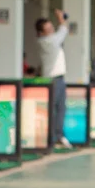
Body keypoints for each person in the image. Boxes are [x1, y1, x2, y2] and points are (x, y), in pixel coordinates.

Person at [35, 9, 71, 149]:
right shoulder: (47, 41)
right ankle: (51, 138)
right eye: (48, 29)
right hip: (52, 80)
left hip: (60, 78)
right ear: (41, 33)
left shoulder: (51, 39)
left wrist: (61, 19)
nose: (51, 31)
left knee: (61, 109)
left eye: (51, 28)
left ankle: (58, 137)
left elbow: (62, 30)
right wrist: (61, 18)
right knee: (52, 110)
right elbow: (63, 30)